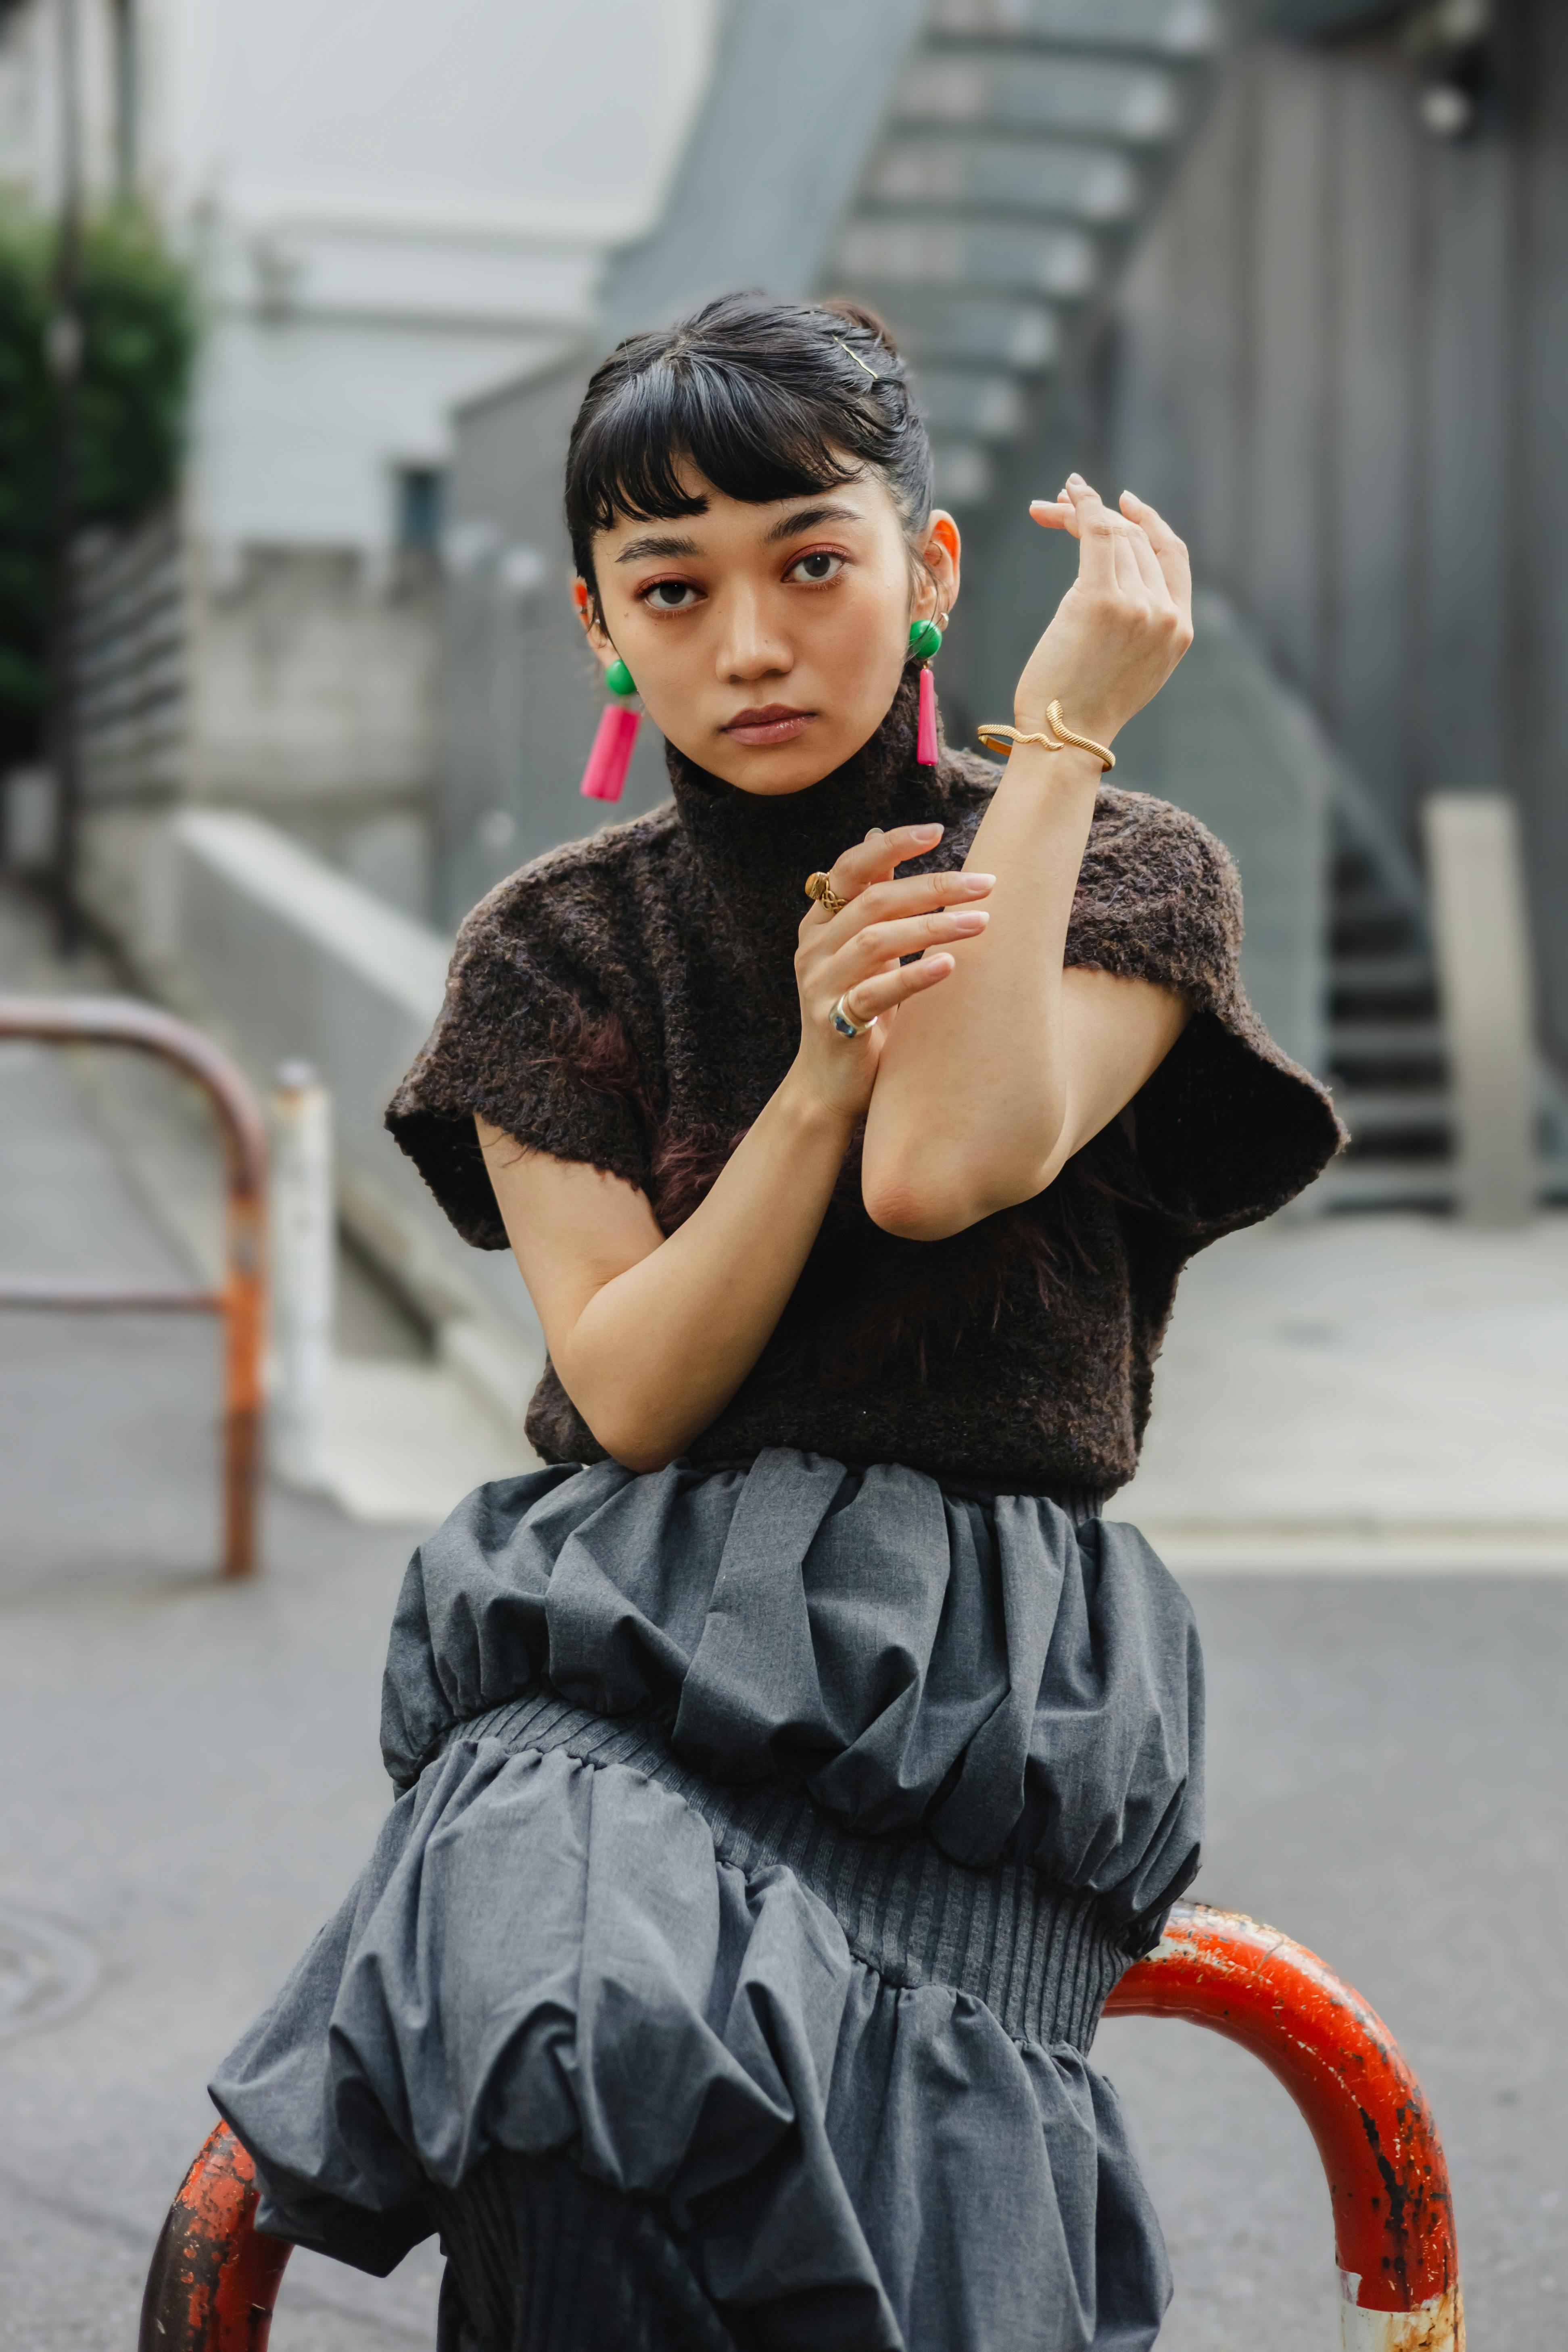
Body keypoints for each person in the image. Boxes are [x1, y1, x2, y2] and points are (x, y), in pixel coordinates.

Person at [213, 293, 1343, 2352]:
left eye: (814, 564)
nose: (749, 643)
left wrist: (1060, 746)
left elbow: (953, 1164)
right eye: (674, 587)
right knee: (565, 2030)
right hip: (632, 1631)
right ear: (600, 626)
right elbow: (630, 1389)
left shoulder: (1119, 865)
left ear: (930, 570)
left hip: (968, 1679)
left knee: (908, 2199)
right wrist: (812, 1082)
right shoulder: (557, 949)